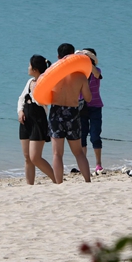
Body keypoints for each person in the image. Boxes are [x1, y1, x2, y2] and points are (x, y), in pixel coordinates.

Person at [49, 43, 93, 184]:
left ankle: (59, 183)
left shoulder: (52, 73)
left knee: (57, 154)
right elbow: (88, 98)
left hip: (56, 112)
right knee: (78, 152)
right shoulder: (80, 76)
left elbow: (42, 92)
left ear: (58, 57)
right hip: (72, 113)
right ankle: (87, 181)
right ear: (73, 55)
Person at [17, 55, 56, 185]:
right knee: (27, 157)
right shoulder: (29, 82)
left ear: (35, 69)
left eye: (29, 66)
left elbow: (43, 102)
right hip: (25, 121)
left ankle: (56, 180)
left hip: (38, 121)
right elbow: (21, 98)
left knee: (35, 157)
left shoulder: (45, 83)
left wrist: (36, 90)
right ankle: (30, 185)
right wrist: (20, 111)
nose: (28, 68)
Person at [79, 48, 104, 174]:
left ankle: (98, 164)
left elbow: (96, 74)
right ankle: (83, 164)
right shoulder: (79, 73)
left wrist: (88, 57)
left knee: (95, 135)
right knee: (82, 136)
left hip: (95, 106)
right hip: (81, 106)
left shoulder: (96, 71)